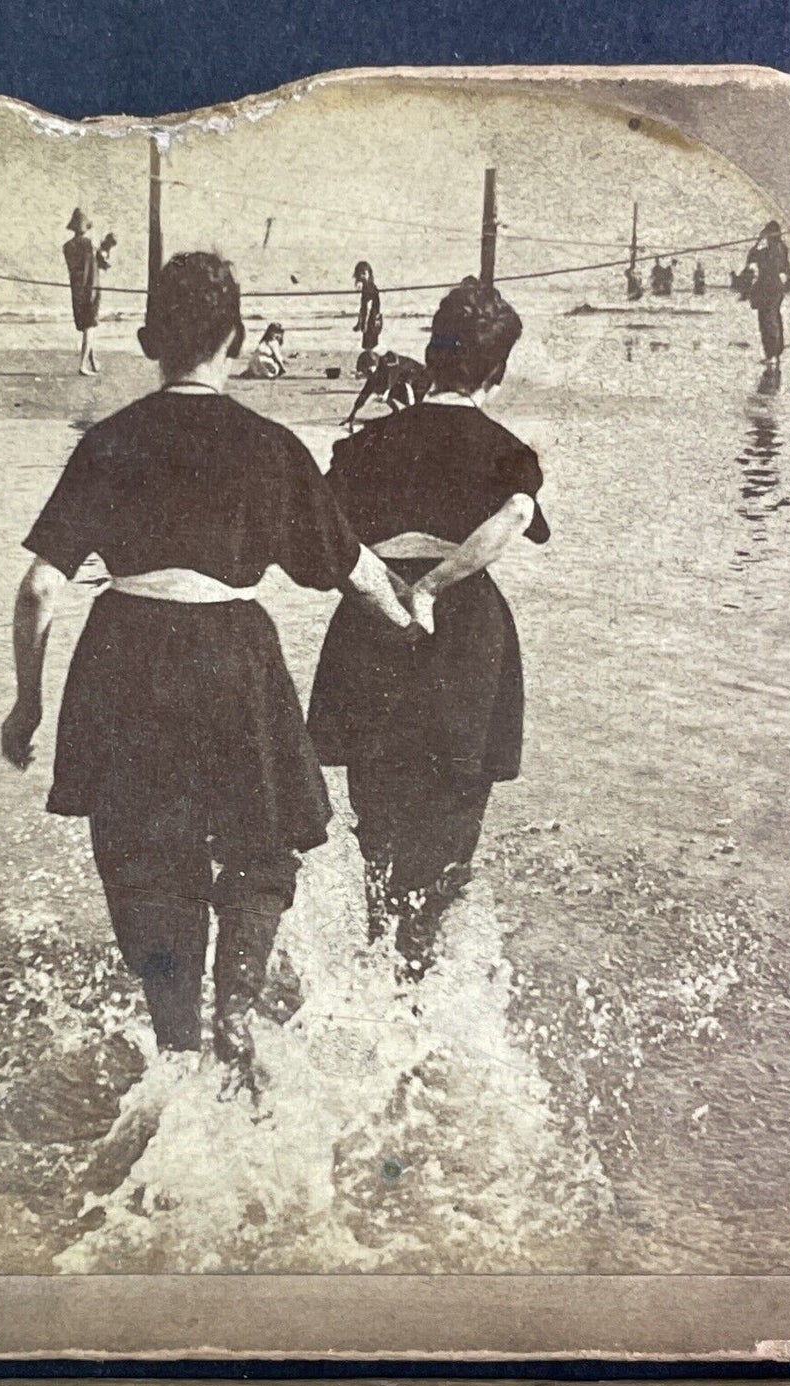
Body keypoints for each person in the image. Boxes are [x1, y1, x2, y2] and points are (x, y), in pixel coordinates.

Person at [1, 251, 418, 1082]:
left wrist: (27, 706)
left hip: (123, 652)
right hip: (234, 653)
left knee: (143, 852)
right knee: (260, 842)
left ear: (152, 338)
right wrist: (413, 621)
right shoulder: (268, 445)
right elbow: (351, 568)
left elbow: (40, 588)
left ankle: (176, 1040)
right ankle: (235, 1001)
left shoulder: (110, 439)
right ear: (233, 338)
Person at [308, 276, 550, 973]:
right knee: (449, 824)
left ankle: (379, 968)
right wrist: (437, 585)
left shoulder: (364, 444)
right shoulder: (508, 450)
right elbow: (515, 516)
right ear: (496, 370)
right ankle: (423, 981)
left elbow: (324, 539)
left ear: (430, 353)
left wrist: (388, 587)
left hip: (369, 625)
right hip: (466, 632)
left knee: (376, 828)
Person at [745, 221, 790, 369]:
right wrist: (759, 241)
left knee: (769, 321)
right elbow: (751, 259)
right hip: (769, 289)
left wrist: (759, 242)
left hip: (770, 289)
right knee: (769, 320)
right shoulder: (776, 248)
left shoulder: (775, 250)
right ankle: (773, 354)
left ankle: (772, 354)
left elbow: (755, 258)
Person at [342, 350, 430, 428]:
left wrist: (386, 392)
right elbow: (365, 392)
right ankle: (398, 413)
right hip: (407, 380)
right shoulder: (375, 373)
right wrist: (352, 414)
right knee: (381, 388)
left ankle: (416, 420)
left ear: (372, 366)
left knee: (414, 408)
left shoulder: (390, 363)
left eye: (366, 371)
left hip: (421, 379)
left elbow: (393, 379)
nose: (365, 374)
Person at [64, 208, 103, 376]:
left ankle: (92, 361)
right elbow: (96, 267)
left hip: (76, 288)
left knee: (88, 326)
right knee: (91, 326)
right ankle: (83, 365)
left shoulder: (67, 246)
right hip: (90, 288)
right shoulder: (88, 244)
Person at [353, 260, 383, 372]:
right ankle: (371, 366)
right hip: (372, 319)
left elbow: (368, 307)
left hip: (373, 320)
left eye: (364, 274)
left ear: (369, 274)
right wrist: (359, 322)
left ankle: (372, 366)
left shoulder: (370, 287)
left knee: (369, 345)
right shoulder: (367, 287)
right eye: (359, 274)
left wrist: (364, 323)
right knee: (368, 344)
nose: (361, 276)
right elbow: (363, 308)